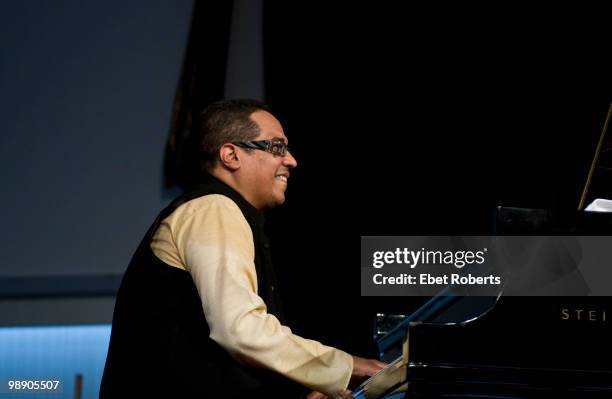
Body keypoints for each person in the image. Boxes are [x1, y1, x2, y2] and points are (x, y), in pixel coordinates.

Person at [100, 99, 385, 398]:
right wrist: (345, 367)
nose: (291, 160)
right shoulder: (213, 208)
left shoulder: (222, 212)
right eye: (277, 147)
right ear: (231, 155)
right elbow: (240, 330)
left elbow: (217, 358)